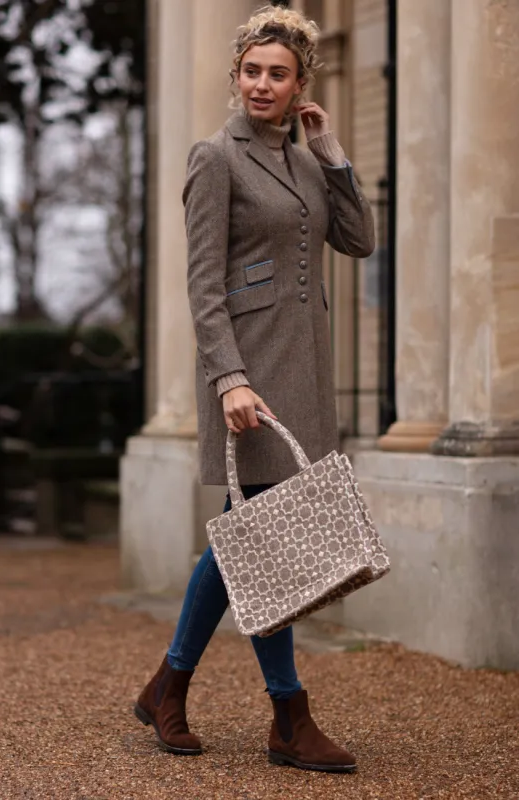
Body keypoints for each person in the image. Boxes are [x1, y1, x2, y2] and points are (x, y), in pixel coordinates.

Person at [134, 4, 374, 773]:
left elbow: (360, 239)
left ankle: (169, 685)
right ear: (235, 76)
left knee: (252, 535)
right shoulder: (216, 157)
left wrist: (331, 151)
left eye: (278, 73)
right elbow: (204, 285)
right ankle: (287, 716)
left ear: (301, 80)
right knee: (261, 536)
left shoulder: (307, 159)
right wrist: (228, 377)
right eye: (252, 71)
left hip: (302, 370)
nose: (262, 84)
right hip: (248, 374)